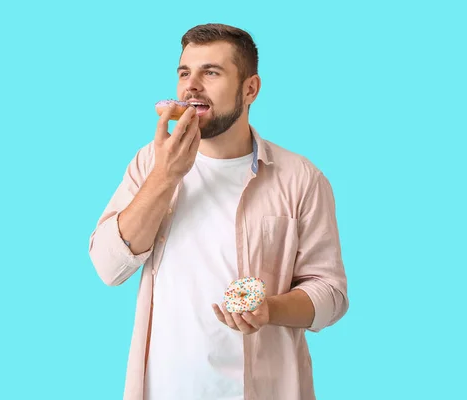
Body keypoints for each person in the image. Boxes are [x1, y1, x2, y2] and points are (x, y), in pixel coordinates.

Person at [88, 23, 349, 400]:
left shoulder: (301, 178)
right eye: (184, 73)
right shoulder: (150, 162)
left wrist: (269, 310)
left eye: (210, 72)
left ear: (250, 89)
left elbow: (331, 295)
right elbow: (108, 267)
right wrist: (165, 176)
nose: (191, 86)